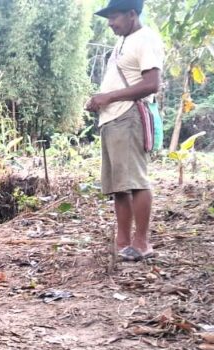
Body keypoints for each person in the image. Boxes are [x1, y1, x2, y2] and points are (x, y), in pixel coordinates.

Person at [85, 0, 163, 262]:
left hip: (128, 117)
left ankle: (141, 242)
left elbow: (152, 84)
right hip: (112, 119)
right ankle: (123, 241)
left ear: (132, 14)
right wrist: (99, 101)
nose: (110, 23)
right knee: (119, 184)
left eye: (114, 17)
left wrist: (109, 97)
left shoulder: (145, 38)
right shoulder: (122, 42)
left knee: (135, 181)